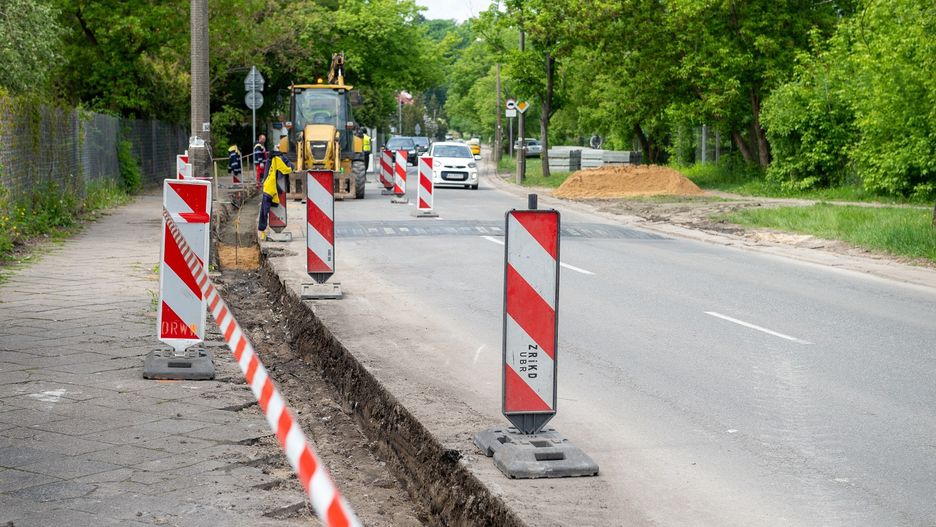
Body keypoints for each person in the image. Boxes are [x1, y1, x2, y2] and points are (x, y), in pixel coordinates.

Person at [258, 147, 294, 240]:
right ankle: (262, 231)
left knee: (264, 211)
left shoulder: (270, 160)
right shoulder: (277, 159)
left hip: (268, 187)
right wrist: (291, 168)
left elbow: (270, 176)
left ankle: (262, 231)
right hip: (270, 190)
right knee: (264, 212)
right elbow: (285, 169)